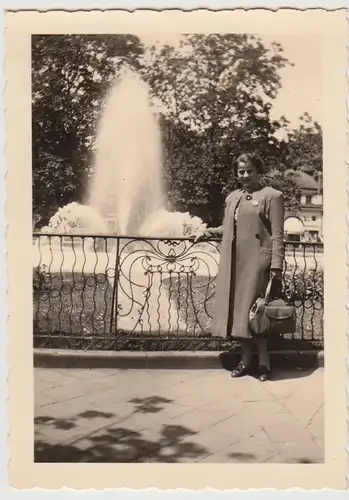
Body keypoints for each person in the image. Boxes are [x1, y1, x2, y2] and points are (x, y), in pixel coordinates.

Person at [195, 152, 285, 381]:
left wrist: (276, 266)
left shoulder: (272, 196)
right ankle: (246, 360)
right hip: (235, 263)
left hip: (258, 262)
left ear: (259, 172)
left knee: (257, 312)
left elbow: (277, 234)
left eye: (250, 171)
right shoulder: (233, 197)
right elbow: (229, 228)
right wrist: (208, 232)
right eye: (241, 171)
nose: (245, 175)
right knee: (241, 314)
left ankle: (264, 363)